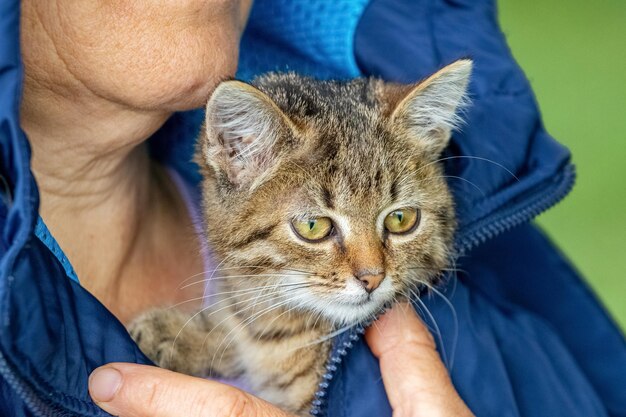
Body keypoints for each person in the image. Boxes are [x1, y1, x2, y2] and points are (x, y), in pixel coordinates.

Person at [1, 1, 625, 416]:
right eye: (317, 227)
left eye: (399, 223)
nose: (370, 271)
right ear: (232, 151)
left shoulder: (488, 270)